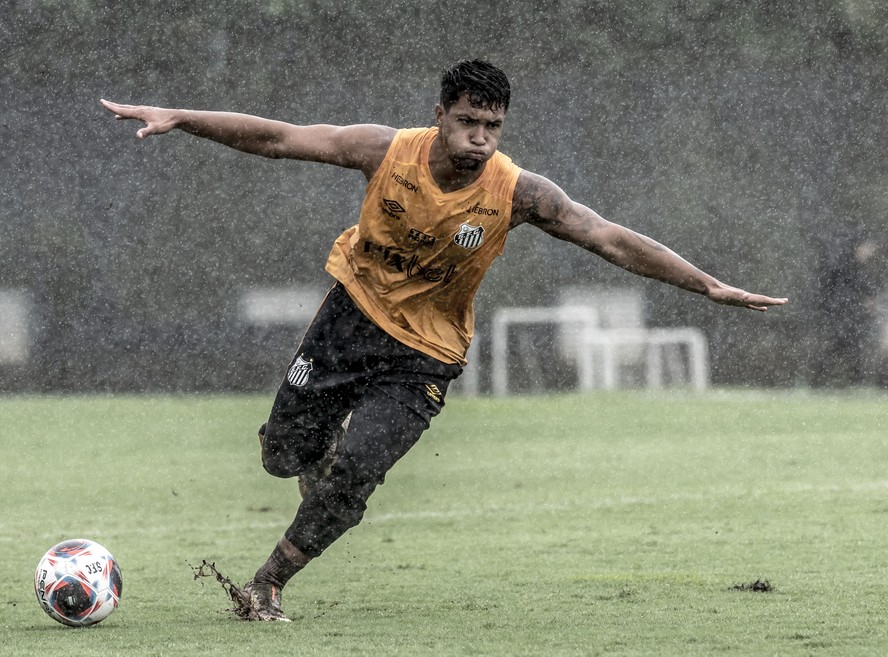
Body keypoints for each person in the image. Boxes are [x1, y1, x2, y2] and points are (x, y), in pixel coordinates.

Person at [101, 59, 787, 621]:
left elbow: (606, 236)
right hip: (350, 319)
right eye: (468, 121)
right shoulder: (382, 151)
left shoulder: (518, 192)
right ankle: (315, 459)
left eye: (492, 125)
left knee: (353, 478)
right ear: (440, 115)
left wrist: (709, 286)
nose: (480, 137)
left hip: (425, 356)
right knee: (281, 457)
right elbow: (280, 138)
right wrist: (182, 118)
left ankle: (268, 584)